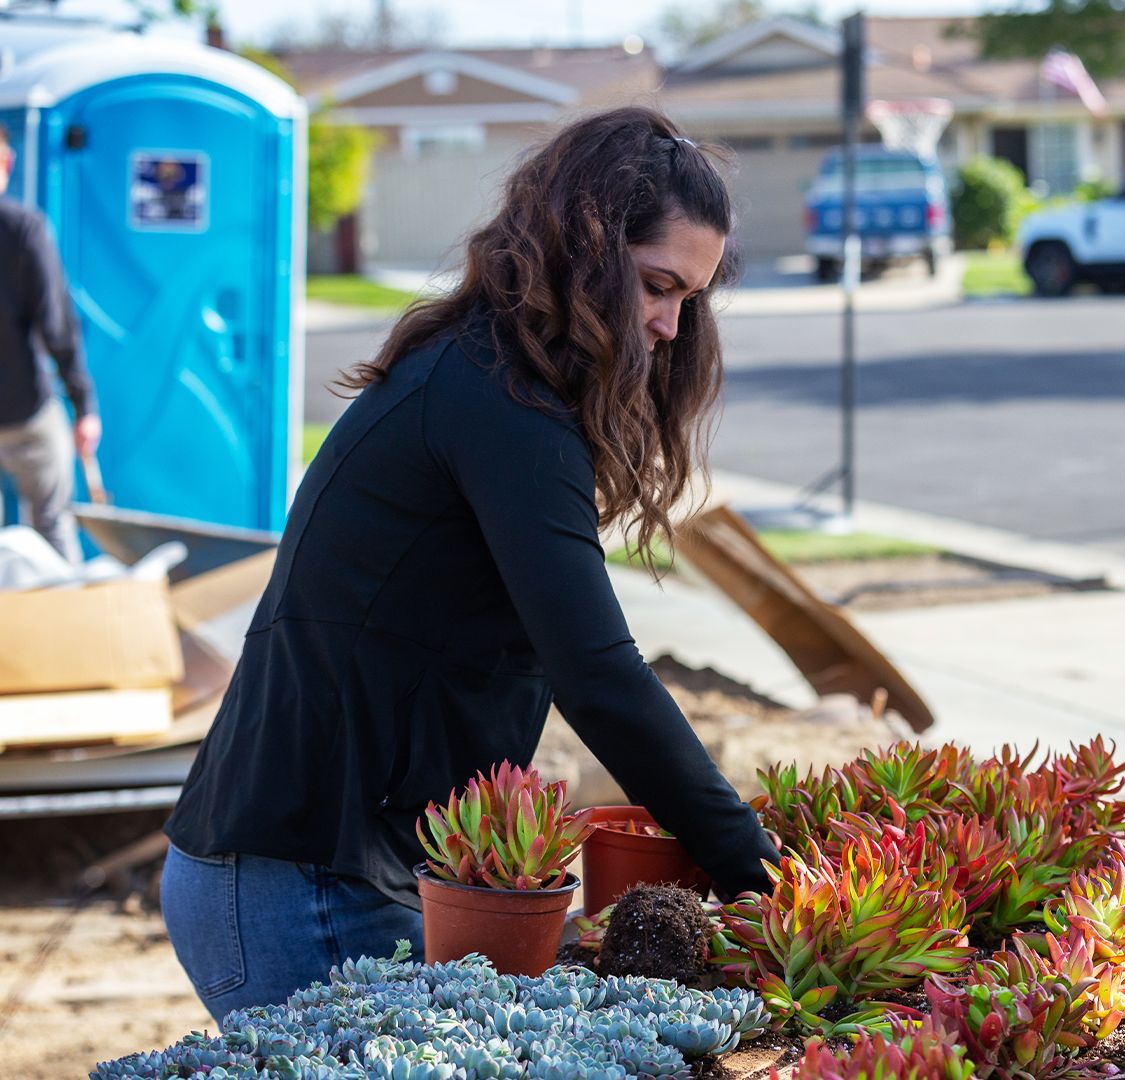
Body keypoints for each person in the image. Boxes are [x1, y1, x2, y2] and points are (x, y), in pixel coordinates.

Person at [161, 107, 780, 1018]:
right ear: (588, 253)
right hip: (301, 885)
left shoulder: (486, 377)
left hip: (325, 867)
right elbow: (598, 674)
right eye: (655, 285)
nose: (670, 327)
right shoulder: (497, 402)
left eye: (689, 297)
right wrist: (760, 871)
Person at [0, 123, 100, 564]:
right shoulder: (23, 229)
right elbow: (56, 326)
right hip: (24, 409)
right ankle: (64, 628)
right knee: (51, 529)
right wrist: (84, 406)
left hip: (22, 407)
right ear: (7, 162)